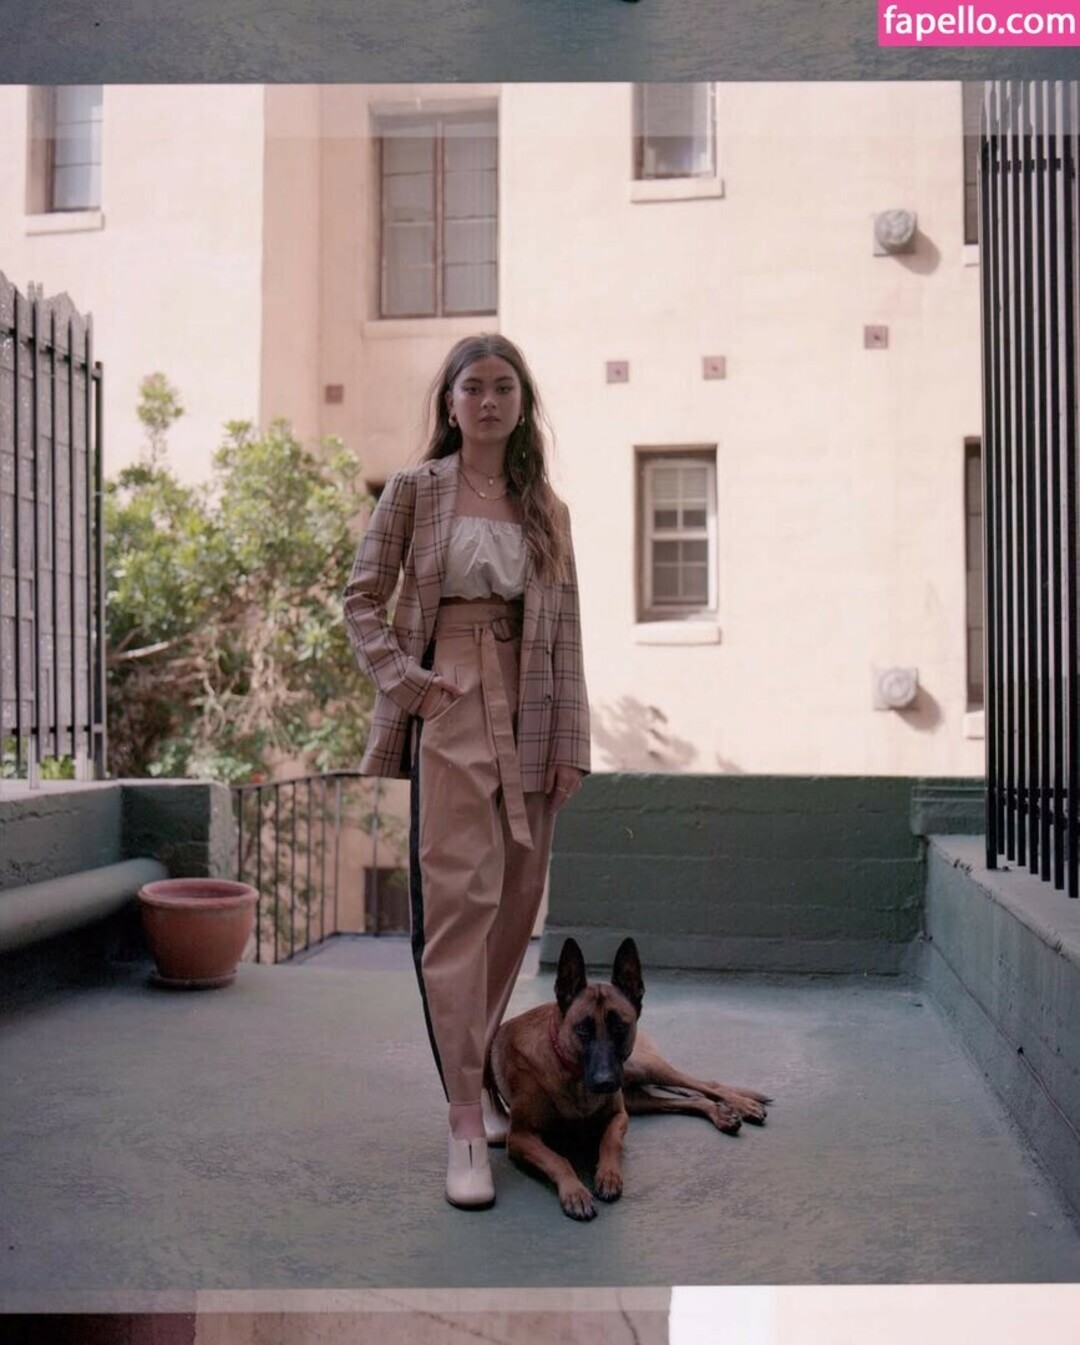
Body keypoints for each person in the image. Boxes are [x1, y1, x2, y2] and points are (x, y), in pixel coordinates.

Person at [343, 333, 590, 1209]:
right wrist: (411, 686)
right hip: (450, 698)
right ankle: (460, 1120)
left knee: (517, 902)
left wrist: (569, 743)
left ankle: (478, 1073)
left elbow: (567, 630)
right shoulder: (416, 490)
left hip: (532, 702)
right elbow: (361, 599)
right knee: (458, 906)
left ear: (522, 404)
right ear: (450, 403)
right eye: (473, 386)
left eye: (503, 387)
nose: (488, 401)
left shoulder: (545, 507)